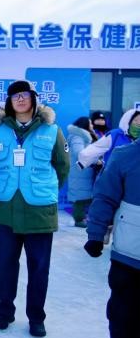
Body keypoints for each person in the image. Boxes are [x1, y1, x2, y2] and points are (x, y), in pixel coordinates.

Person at [0, 80, 69, 337]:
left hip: (39, 211)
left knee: (39, 267)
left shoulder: (51, 130)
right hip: (7, 209)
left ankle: (36, 317)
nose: (20, 99)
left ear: (33, 99)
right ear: (9, 102)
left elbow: (62, 166)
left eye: (24, 95)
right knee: (5, 265)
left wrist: (43, 189)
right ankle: (5, 312)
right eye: (15, 96)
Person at [84, 139, 140, 338]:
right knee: (123, 317)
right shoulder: (125, 155)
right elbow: (105, 197)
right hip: (129, 255)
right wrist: (96, 234)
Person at [67, 117, 97, 228]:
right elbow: (79, 152)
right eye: (90, 123)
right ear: (84, 125)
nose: (92, 125)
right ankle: (79, 220)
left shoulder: (84, 135)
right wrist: (94, 159)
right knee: (79, 197)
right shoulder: (77, 136)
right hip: (79, 171)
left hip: (83, 171)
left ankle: (84, 218)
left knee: (85, 195)